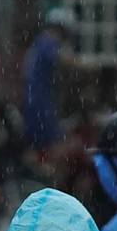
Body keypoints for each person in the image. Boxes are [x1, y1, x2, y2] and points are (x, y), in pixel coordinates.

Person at [22, 8, 73, 152]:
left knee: (37, 142)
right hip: (40, 99)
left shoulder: (39, 42)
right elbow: (64, 60)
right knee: (49, 142)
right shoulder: (48, 42)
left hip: (34, 97)